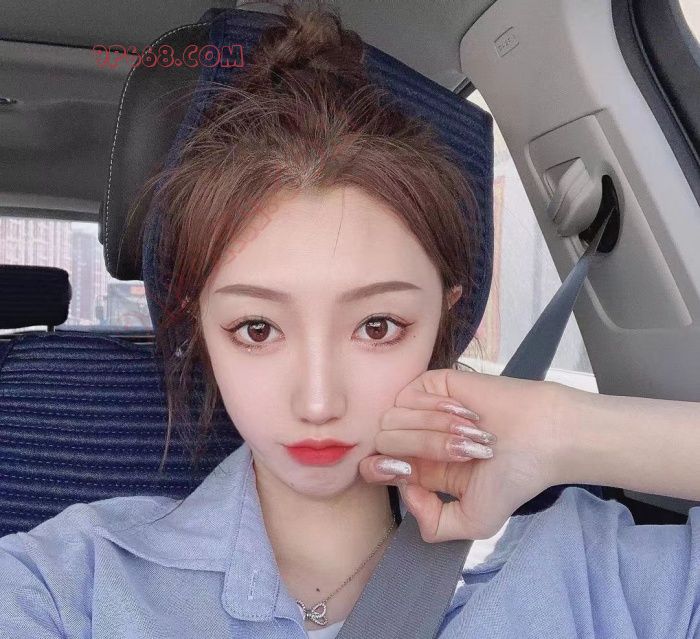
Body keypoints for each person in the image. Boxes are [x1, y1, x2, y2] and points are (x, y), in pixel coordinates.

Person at [1, 1, 699, 638]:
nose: (318, 401)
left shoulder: (594, 575)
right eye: (257, 329)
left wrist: (567, 430)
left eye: (377, 326)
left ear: (444, 318)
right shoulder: (70, 585)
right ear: (199, 328)